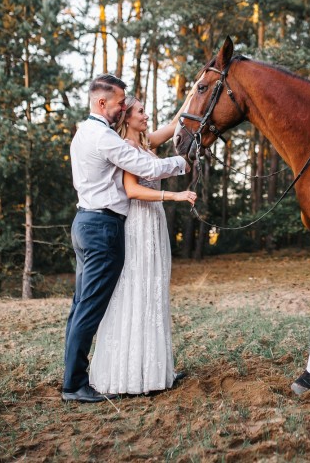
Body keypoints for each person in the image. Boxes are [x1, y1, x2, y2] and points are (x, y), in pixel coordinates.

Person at [63, 74, 189, 403]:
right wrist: (181, 164)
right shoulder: (104, 136)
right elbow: (138, 165)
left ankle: (73, 378)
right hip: (102, 226)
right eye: (120, 102)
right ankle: (74, 384)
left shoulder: (83, 133)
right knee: (89, 308)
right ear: (102, 103)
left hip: (85, 222)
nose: (124, 106)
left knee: (80, 306)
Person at [89, 94, 197, 395]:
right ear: (127, 117)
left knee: (155, 289)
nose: (146, 115)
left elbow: (176, 123)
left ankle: (154, 369)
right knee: (138, 288)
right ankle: (130, 374)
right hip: (138, 222)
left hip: (155, 224)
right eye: (140, 111)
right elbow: (133, 190)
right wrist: (173, 196)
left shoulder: (147, 142)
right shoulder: (125, 149)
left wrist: (192, 94)